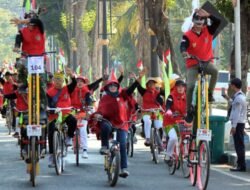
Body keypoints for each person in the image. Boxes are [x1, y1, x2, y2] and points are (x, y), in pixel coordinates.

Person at [94, 72, 140, 178]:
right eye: (111, 86)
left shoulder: (122, 95)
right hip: (108, 122)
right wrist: (98, 116)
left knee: (123, 145)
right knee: (104, 126)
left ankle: (123, 168)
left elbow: (130, 90)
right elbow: (100, 110)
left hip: (121, 123)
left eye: (115, 86)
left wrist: (138, 80)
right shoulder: (104, 99)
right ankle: (104, 146)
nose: (113, 87)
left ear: (117, 87)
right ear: (108, 87)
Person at [180, 8, 221, 123]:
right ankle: (189, 110)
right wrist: (184, 53)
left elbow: (218, 22)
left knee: (215, 71)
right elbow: (183, 46)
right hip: (193, 64)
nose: (199, 25)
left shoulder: (209, 30)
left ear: (204, 23)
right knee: (190, 86)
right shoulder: (187, 35)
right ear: (193, 21)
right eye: (197, 22)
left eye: (201, 22)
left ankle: (209, 93)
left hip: (206, 62)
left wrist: (208, 14)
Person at [46, 68, 77, 168]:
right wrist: (49, 109)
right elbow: (48, 103)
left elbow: (74, 84)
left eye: (60, 80)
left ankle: (69, 137)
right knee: (51, 131)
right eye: (56, 80)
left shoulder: (67, 89)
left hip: (66, 113)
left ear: (63, 81)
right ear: (53, 81)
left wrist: (72, 76)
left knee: (73, 120)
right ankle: (51, 156)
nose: (58, 82)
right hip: (54, 115)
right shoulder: (49, 92)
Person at [163, 80, 187, 164]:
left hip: (182, 121)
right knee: (173, 138)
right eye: (179, 86)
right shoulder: (171, 96)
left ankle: (184, 152)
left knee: (186, 136)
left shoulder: (187, 97)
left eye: (182, 86)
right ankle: (168, 155)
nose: (180, 88)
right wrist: (169, 111)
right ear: (175, 87)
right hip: (170, 122)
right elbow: (168, 106)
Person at [136, 77, 164, 146]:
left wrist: (160, 105)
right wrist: (137, 78)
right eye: (150, 83)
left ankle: (160, 142)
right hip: (146, 112)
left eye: (153, 83)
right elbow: (138, 86)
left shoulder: (157, 93)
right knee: (147, 121)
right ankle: (148, 138)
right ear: (147, 85)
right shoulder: (144, 92)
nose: (151, 85)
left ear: (155, 85)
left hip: (156, 112)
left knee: (159, 126)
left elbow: (161, 100)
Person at [70, 76, 94, 159]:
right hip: (72, 112)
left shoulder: (86, 91)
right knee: (68, 125)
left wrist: (89, 106)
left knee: (83, 130)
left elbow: (89, 101)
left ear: (84, 83)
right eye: (78, 81)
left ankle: (84, 150)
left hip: (83, 112)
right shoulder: (72, 90)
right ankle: (67, 141)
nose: (79, 83)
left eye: (81, 81)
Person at [228, 78, 247, 172]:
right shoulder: (241, 96)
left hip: (238, 123)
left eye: (231, 85)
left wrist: (234, 126)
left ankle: (241, 165)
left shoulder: (239, 98)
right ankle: (241, 164)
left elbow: (237, 113)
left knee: (239, 145)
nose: (230, 86)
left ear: (234, 86)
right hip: (240, 123)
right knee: (240, 144)